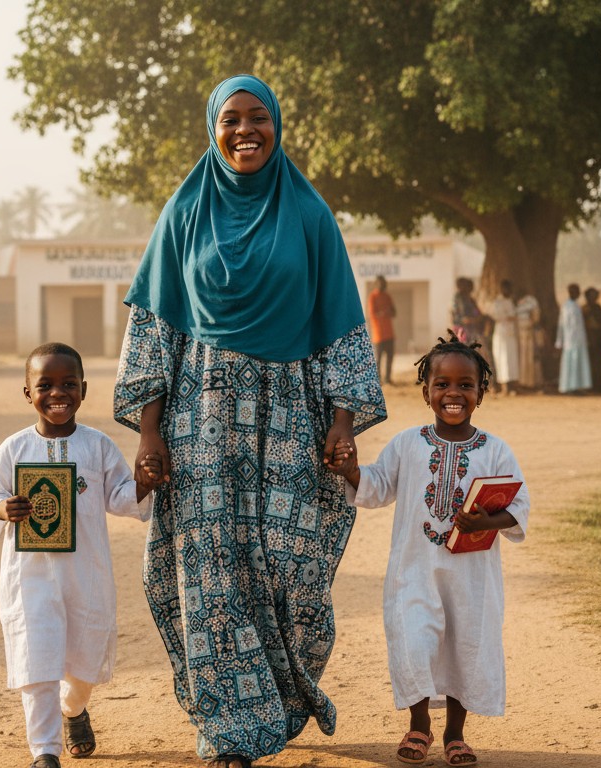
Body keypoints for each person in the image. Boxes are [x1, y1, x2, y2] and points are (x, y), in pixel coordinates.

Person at [113, 74, 387, 768]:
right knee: (209, 576)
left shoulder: (310, 215)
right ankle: (230, 731)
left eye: (257, 118)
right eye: (231, 119)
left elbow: (342, 328)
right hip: (199, 422)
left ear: (278, 126)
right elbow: (154, 330)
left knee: (292, 572)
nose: (245, 132)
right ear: (213, 128)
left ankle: (286, 700)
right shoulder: (183, 214)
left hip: (292, 416)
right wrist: (148, 430)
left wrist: (344, 421)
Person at [330, 335, 529, 767]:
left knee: (465, 645)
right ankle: (419, 726)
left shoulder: (495, 450)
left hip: (472, 578)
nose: (453, 394)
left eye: (465, 385)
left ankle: (455, 734)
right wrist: (349, 469)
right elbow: (377, 486)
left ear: (481, 392)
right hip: (414, 572)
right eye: (442, 384)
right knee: (414, 641)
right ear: (426, 392)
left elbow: (519, 507)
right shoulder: (407, 443)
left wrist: (488, 523)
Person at [0, 343, 160, 768]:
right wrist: (5, 508)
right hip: (30, 578)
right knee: (36, 660)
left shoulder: (96, 446)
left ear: (83, 390)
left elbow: (119, 497)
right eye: (45, 384)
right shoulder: (13, 449)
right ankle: (44, 751)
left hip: (86, 574)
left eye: (68, 384)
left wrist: (145, 484)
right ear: (27, 393)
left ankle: (73, 709)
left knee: (83, 664)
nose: (57, 392)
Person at [555, 283, 591, 393]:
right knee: (571, 363)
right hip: (569, 340)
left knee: (578, 363)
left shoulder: (577, 306)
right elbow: (561, 325)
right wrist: (559, 341)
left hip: (579, 339)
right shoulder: (566, 307)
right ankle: (569, 387)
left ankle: (578, 386)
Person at [487, 280, 519, 395]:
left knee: (512, 358)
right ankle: (504, 386)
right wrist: (508, 316)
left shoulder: (510, 301)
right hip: (501, 333)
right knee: (503, 358)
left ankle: (513, 385)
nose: (508, 291)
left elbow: (514, 315)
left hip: (511, 333)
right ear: (502, 289)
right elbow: (498, 316)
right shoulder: (497, 302)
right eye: (506, 288)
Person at [369, 275, 397, 384]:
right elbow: (372, 314)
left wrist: (387, 312)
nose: (382, 285)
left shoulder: (387, 296)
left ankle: (388, 379)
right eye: (380, 283)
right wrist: (384, 313)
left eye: (383, 283)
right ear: (376, 284)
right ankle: (378, 380)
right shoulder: (373, 297)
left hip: (389, 333)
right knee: (378, 359)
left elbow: (394, 312)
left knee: (390, 357)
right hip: (378, 334)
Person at [514, 288, 542, 390]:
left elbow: (536, 316)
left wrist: (532, 323)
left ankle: (532, 383)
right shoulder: (516, 303)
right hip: (519, 335)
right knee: (522, 358)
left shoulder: (531, 301)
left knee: (531, 357)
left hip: (529, 333)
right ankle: (523, 382)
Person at [582, 288, 601, 392]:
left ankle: (598, 385)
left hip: (597, 340)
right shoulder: (585, 309)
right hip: (589, 339)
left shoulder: (597, 308)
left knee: (597, 363)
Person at [451, 277, 487, 345]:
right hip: (462, 328)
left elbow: (477, 312)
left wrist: (477, 318)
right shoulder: (458, 298)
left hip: (471, 328)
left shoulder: (470, 299)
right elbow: (457, 314)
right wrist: (466, 320)